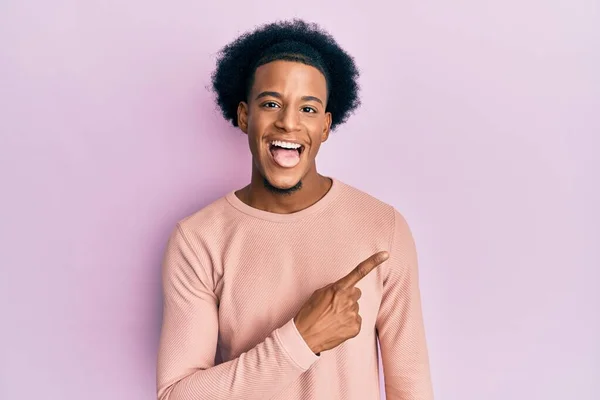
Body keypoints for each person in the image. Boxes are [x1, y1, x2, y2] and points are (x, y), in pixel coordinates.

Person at [156, 19, 434, 400]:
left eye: (308, 108)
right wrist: (301, 340)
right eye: (271, 104)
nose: (288, 122)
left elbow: (412, 388)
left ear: (324, 126)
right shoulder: (198, 239)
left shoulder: (382, 227)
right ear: (243, 116)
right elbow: (176, 395)